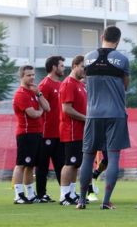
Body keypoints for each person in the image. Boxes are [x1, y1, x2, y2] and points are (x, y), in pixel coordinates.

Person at [77, 26, 131, 210]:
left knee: (87, 157)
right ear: (118, 40)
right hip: (115, 113)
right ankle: (106, 201)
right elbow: (125, 86)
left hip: (93, 114)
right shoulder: (122, 59)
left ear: (102, 37)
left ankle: (81, 200)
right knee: (113, 157)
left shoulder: (88, 57)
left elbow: (87, 80)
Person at [12, 65, 51, 204]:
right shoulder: (21, 94)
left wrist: (39, 93)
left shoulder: (33, 92)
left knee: (30, 165)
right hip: (26, 134)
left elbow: (47, 108)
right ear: (22, 77)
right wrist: (40, 112)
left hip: (37, 133)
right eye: (28, 75)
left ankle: (30, 194)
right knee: (21, 164)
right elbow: (33, 114)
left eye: (33, 75)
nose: (32, 77)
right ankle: (18, 195)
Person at [35, 56, 65, 203]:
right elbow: (40, 108)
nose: (63, 68)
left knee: (61, 165)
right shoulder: (44, 85)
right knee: (42, 165)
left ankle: (66, 193)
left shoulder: (60, 84)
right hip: (46, 133)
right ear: (54, 67)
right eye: (61, 65)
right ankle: (41, 194)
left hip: (59, 133)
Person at [58, 55, 87, 206]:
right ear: (75, 65)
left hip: (80, 130)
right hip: (71, 130)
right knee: (70, 162)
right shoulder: (69, 83)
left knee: (76, 163)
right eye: (83, 67)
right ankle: (64, 195)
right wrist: (86, 118)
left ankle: (72, 193)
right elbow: (67, 109)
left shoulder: (80, 84)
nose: (85, 70)